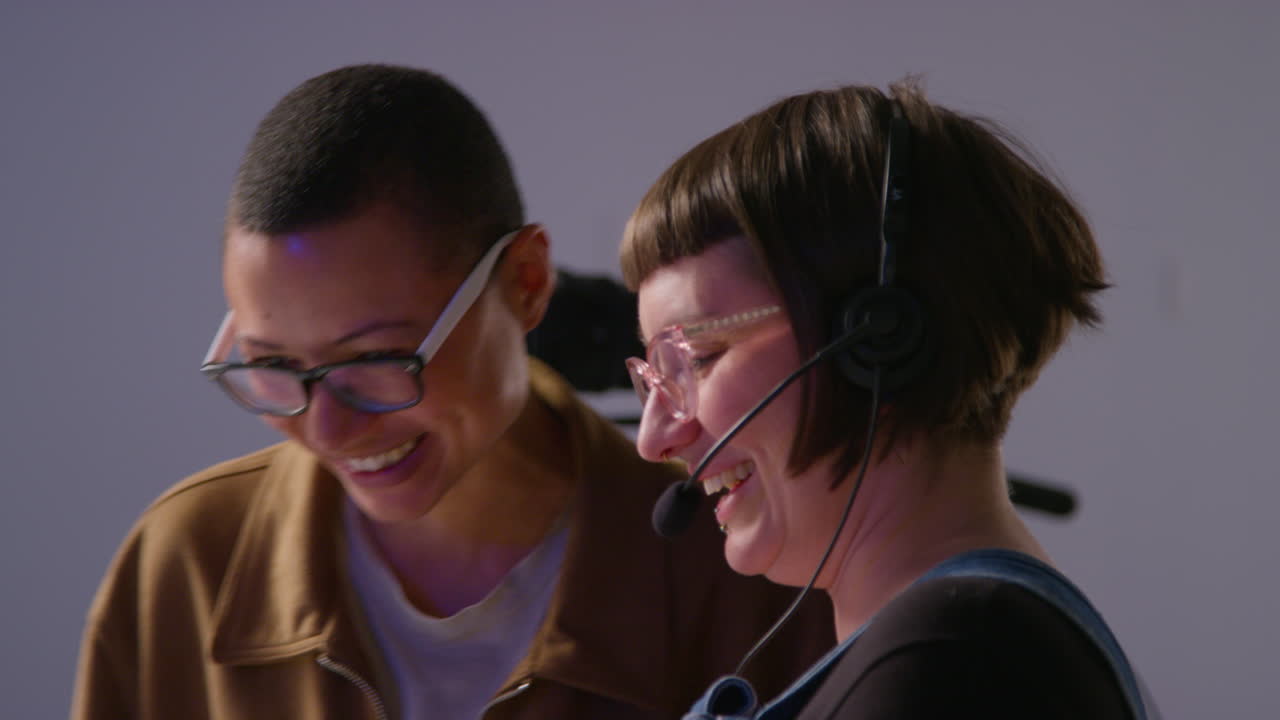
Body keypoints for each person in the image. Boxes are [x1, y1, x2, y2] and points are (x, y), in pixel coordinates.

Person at [71, 63, 834, 720]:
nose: (327, 428)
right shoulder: (187, 567)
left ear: (525, 283)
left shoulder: (740, 571)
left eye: (375, 360)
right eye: (272, 365)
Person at [619, 80, 1151, 719]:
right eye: (654, 377)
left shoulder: (956, 661)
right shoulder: (970, 644)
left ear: (875, 340)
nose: (655, 438)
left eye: (699, 358)